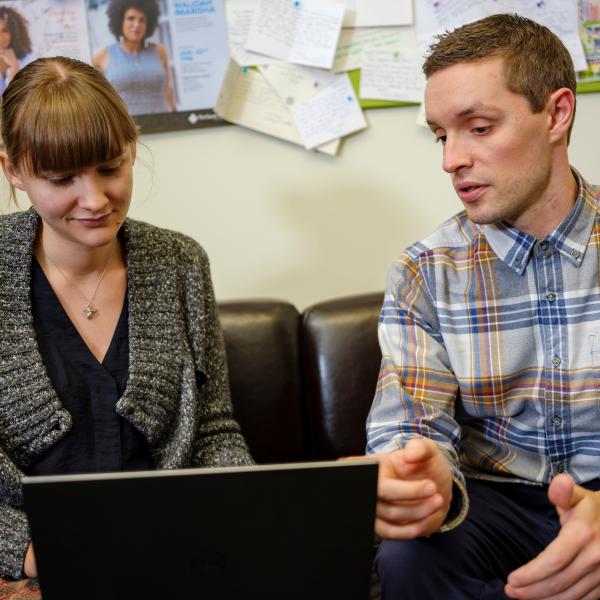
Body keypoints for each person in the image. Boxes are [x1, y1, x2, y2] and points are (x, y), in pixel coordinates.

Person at [365, 13, 600, 600]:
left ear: (558, 113)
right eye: (442, 135)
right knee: (405, 562)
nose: (451, 161)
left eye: (478, 127)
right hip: (496, 498)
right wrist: (418, 476)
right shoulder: (425, 271)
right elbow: (409, 424)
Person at [0, 56, 251, 590]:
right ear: (13, 171)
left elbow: (212, 428)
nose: (94, 200)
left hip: (167, 553)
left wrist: (239, 510)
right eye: (61, 178)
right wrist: (23, 547)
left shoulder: (180, 262)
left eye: (111, 168)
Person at [92, 0, 175, 115]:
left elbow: (167, 90)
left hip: (163, 123)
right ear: (120, 21)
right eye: (131, 18)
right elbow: (96, 100)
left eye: (142, 20)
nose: (137, 25)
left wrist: (176, 117)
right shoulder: (102, 56)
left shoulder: (160, 51)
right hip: (125, 128)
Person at [0, 6, 33, 94]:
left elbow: (19, 99)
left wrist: (14, 67)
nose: (0, 36)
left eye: (5, 30)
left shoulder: (28, 59)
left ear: (14, 32)